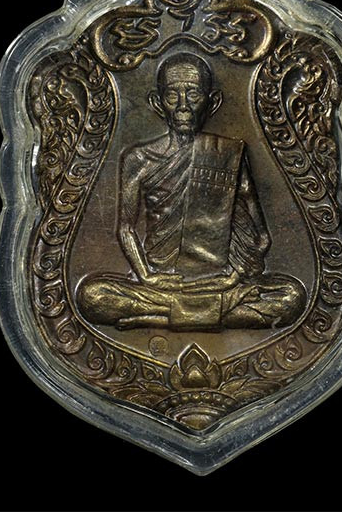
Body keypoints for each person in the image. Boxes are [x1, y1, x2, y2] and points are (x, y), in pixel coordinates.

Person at [77, 52, 306, 330]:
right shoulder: (140, 158)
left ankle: (157, 316)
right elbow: (126, 228)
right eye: (173, 96)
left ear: (212, 102)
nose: (183, 107)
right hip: (162, 283)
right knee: (93, 296)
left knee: (291, 297)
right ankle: (200, 313)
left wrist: (234, 276)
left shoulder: (228, 154)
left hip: (219, 282)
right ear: (158, 102)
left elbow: (262, 238)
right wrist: (146, 276)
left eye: (194, 95)